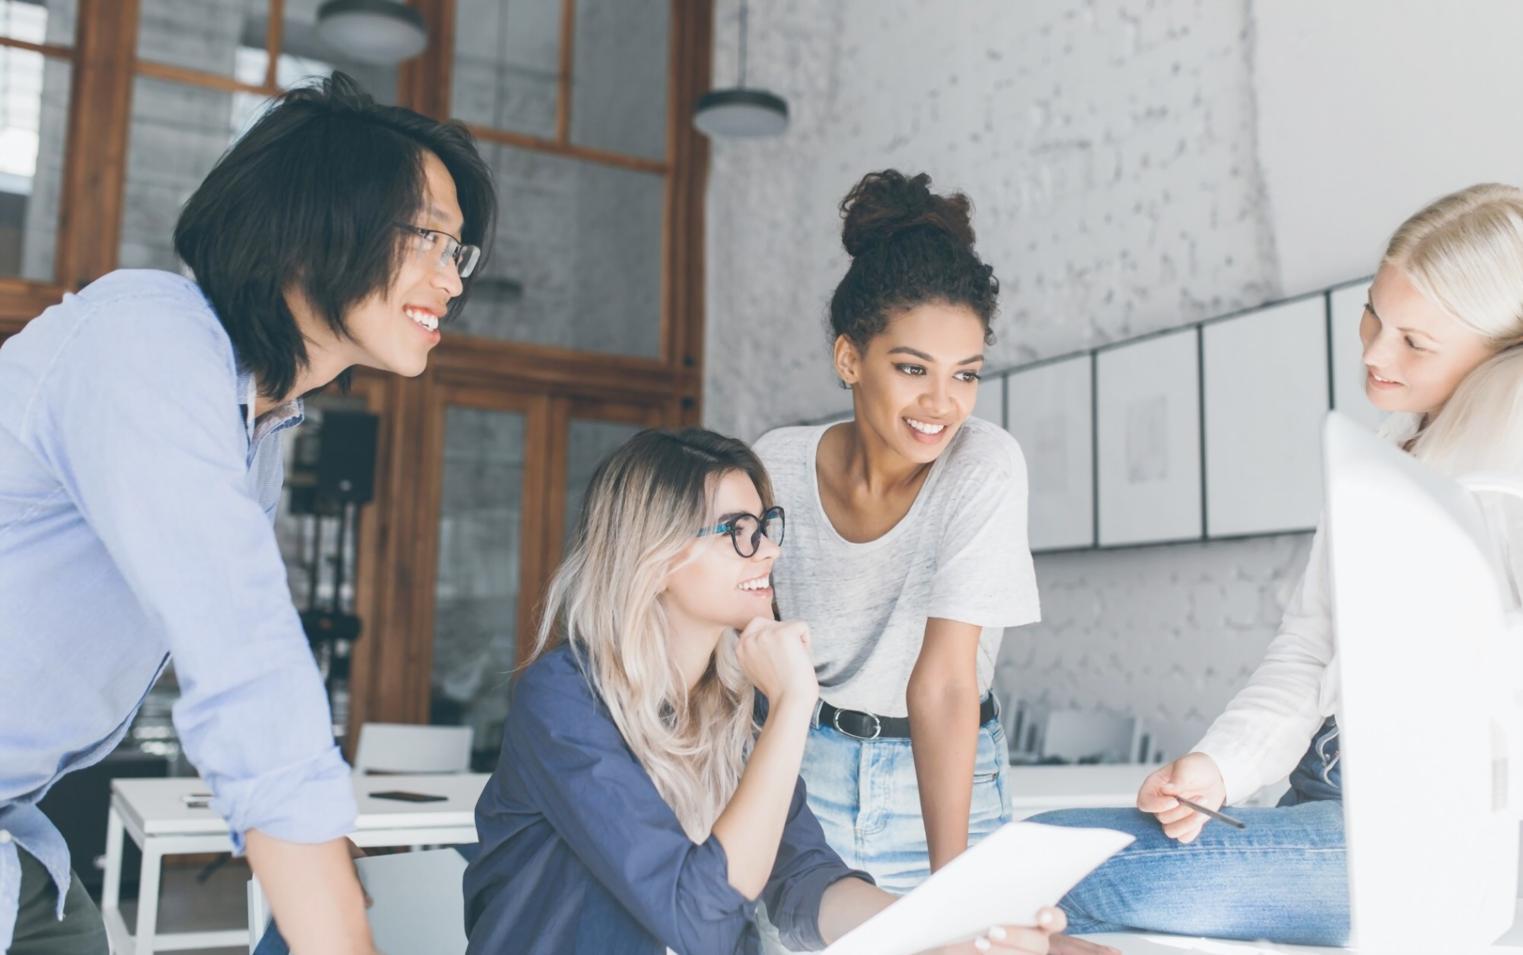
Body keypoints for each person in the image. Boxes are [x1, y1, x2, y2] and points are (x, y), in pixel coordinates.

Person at [0, 73, 495, 955]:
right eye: (429, 237)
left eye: (459, 252)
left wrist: (315, 852)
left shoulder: (262, 425)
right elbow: (241, 652)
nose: (451, 280)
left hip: (18, 829)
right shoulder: (146, 337)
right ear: (311, 225)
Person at [1032, 183, 1523, 945]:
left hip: (1422, 831)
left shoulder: (1502, 475)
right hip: (1320, 787)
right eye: (1372, 314)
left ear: (1500, 349)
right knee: (1037, 855)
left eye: (1414, 342)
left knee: (1055, 868)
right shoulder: (1386, 452)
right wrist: (1218, 766)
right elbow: (1307, 649)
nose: (1373, 352)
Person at [461, 428, 1074, 954]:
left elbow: (802, 879)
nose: (771, 550)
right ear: (656, 553)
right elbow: (696, 916)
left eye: (765, 526)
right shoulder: (566, 701)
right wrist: (793, 704)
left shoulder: (737, 701)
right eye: (739, 530)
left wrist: (950, 932)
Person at [753, 170, 1040, 893]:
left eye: (965, 375)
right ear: (849, 358)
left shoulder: (983, 466)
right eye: (913, 368)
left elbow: (944, 684)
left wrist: (948, 895)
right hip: (803, 770)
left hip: (945, 783)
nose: (941, 403)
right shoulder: (775, 466)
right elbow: (745, 652)